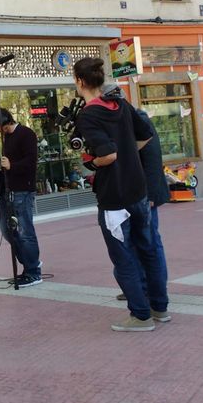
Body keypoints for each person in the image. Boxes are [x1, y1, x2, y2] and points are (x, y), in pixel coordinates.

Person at [73, 57, 168, 332]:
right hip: (139, 190)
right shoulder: (120, 104)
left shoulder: (89, 114)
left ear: (80, 82)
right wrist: (128, 154)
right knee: (149, 250)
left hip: (115, 197)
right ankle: (159, 308)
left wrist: (91, 163)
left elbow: (108, 154)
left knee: (123, 256)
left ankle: (140, 316)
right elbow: (146, 135)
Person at [115, 109, 171, 317]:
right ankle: (146, 290)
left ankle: (152, 293)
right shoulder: (141, 124)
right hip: (145, 194)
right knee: (148, 244)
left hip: (145, 196)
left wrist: (149, 196)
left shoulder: (139, 128)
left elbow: (151, 163)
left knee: (149, 246)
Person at [0, 107, 42, 287]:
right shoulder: (6, 137)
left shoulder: (26, 134)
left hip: (22, 190)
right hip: (7, 191)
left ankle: (33, 271)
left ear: (4, 122)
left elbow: (32, 162)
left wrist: (12, 165)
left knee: (24, 232)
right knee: (8, 231)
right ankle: (28, 263)